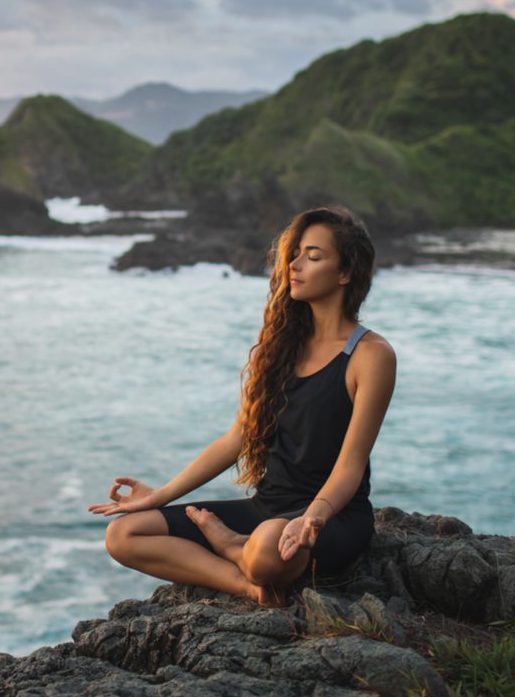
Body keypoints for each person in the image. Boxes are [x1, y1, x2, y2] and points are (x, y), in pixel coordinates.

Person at [88, 205, 396, 607]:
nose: (295, 265)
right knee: (124, 535)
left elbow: (351, 465)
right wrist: (159, 495)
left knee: (269, 545)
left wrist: (312, 517)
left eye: (313, 256)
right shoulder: (281, 347)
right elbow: (237, 438)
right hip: (266, 507)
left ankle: (233, 545)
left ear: (345, 273)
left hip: (333, 518)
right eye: (296, 254)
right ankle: (248, 585)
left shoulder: (371, 355)